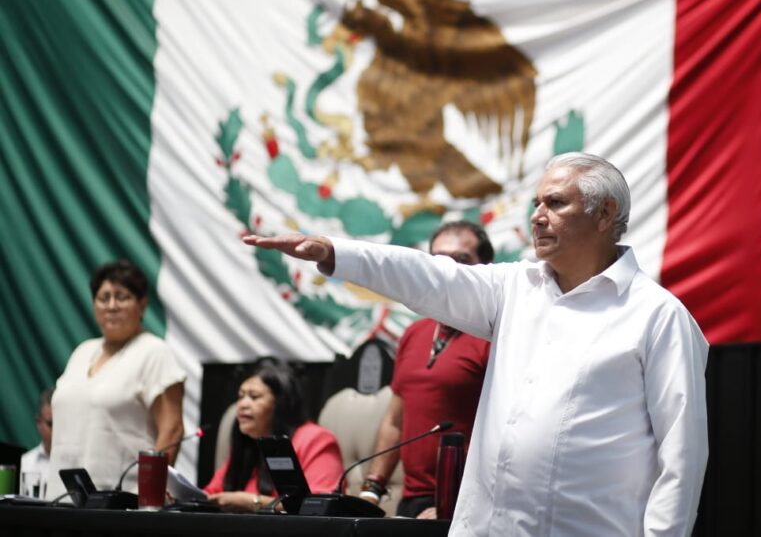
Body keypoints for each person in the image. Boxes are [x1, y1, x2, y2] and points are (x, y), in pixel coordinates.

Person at [245, 152, 710, 536]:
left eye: (555, 203)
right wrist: (334, 252)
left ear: (605, 213)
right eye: (536, 203)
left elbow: (681, 457)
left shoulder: (657, 316)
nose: (537, 216)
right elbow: (430, 276)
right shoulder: (515, 288)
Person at [360, 222, 492, 519]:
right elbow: (395, 420)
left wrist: (453, 504)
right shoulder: (414, 332)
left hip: (467, 505)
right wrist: (371, 490)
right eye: (438, 259)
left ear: (486, 269)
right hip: (412, 503)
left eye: (461, 260)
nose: (447, 269)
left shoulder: (495, 335)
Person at [46, 260, 186, 498]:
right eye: (104, 298)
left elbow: (172, 430)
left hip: (122, 502)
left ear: (142, 304)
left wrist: (148, 496)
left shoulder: (154, 352)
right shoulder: (82, 352)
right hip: (61, 499)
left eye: (122, 297)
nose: (111, 306)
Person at [204, 357, 344, 512]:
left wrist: (252, 502)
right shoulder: (249, 442)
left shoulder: (316, 440)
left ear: (280, 403)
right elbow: (210, 495)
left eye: (254, 396)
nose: (242, 404)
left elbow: (320, 508)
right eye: (240, 396)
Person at [20, 387, 53, 496]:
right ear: (39, 422)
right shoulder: (24, 464)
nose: (58, 429)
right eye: (51, 424)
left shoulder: (79, 465)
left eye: (62, 422)